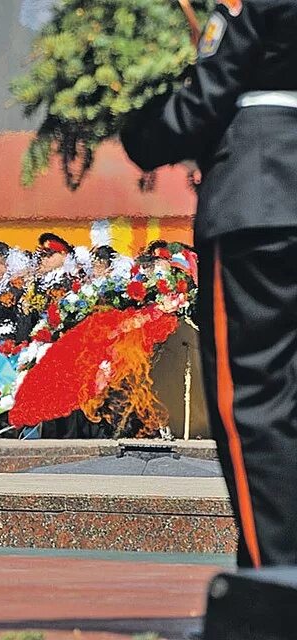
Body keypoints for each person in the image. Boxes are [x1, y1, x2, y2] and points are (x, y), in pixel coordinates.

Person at [121, 0, 297, 569]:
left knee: (255, 400)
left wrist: (137, 130)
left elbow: (208, 95)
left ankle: (275, 586)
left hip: (264, 199)